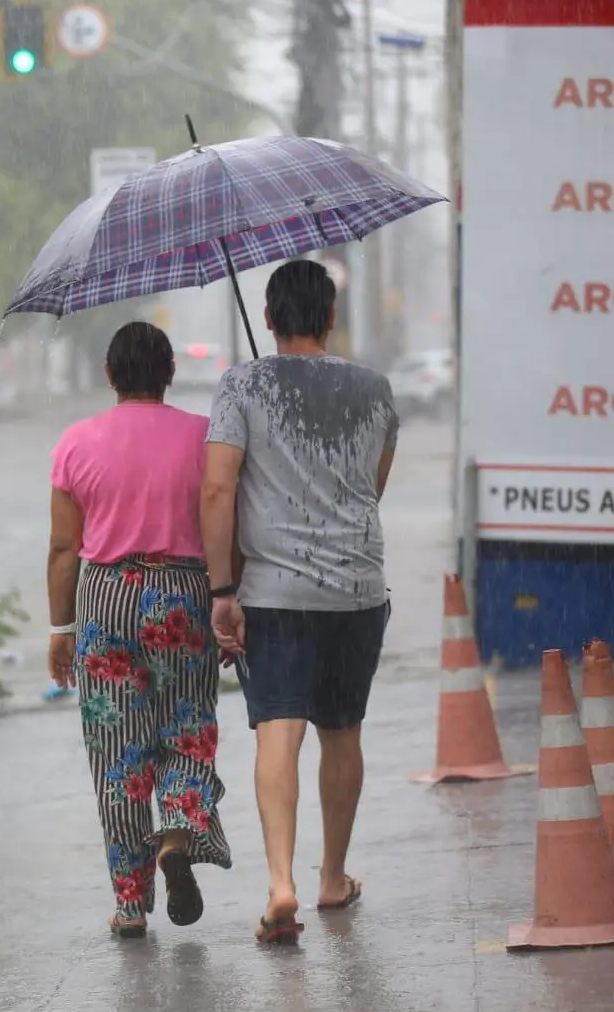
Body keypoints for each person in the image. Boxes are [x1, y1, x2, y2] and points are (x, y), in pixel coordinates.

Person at [199, 259, 398, 945]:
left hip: (273, 595)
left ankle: (280, 882)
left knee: (278, 733)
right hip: (356, 589)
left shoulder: (241, 386)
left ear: (271, 319)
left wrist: (222, 588)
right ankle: (332, 877)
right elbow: (372, 486)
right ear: (331, 318)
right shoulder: (374, 390)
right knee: (342, 731)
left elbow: (218, 490)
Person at [48, 321, 232, 940]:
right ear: (170, 371)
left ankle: (131, 903)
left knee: (118, 755)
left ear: (109, 375)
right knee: (187, 727)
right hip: (184, 591)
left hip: (105, 597)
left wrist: (60, 628)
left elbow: (62, 549)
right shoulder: (204, 438)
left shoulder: (76, 443)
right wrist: (231, 600)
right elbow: (225, 521)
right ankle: (174, 841)